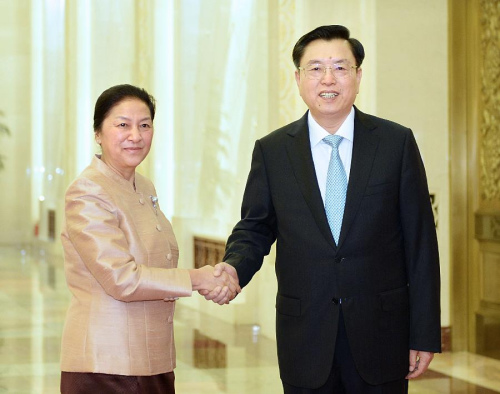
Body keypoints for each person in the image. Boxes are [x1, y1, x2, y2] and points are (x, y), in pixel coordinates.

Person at [209, 25, 441, 393]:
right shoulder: (273, 151)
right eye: (315, 68)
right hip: (305, 336)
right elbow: (255, 227)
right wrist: (233, 268)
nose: (327, 78)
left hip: (381, 334)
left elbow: (421, 244)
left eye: (340, 67)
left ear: (358, 76)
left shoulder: (395, 144)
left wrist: (425, 332)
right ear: (298, 79)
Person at [59, 84, 240, 394]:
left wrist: (215, 278)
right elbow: (122, 278)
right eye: (122, 125)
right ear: (98, 133)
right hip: (106, 365)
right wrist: (198, 279)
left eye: (144, 125)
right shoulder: (88, 191)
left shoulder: (144, 186)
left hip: (152, 359)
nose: (136, 135)